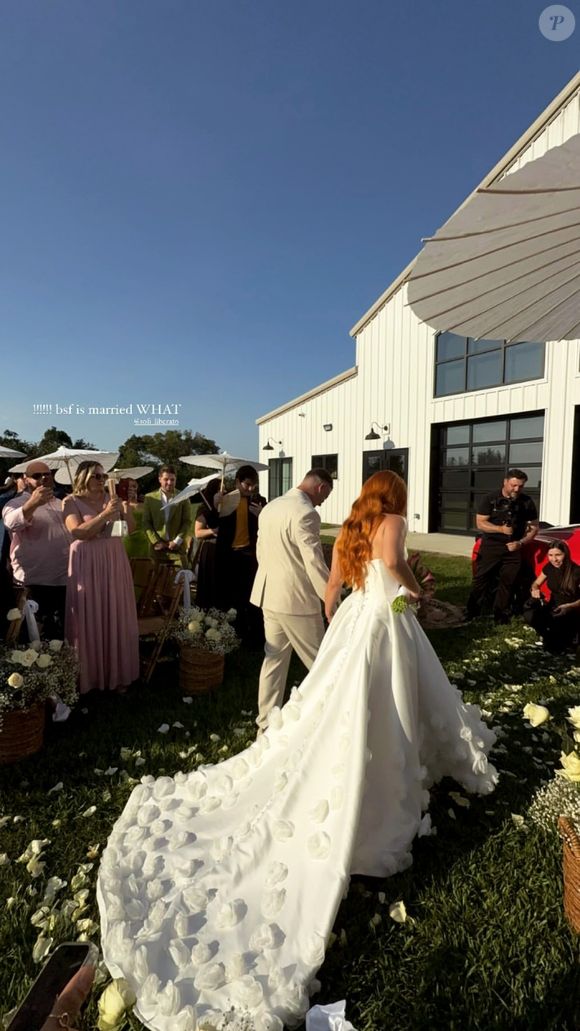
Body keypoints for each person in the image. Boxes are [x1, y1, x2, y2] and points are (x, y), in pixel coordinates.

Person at [97, 470, 497, 1031]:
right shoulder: (393, 522)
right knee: (385, 701)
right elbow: (398, 568)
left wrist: (336, 610)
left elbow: (335, 579)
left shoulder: (352, 522)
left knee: (319, 692)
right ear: (396, 496)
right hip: (384, 622)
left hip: (355, 616)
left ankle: (298, 731)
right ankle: (387, 763)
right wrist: (415, 589)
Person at [250, 467, 333, 731]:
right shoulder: (306, 513)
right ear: (320, 487)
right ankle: (330, 718)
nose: (322, 502)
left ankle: (265, 723)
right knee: (322, 662)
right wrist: (331, 599)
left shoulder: (271, 507)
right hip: (296, 599)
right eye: (325, 496)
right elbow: (314, 562)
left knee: (273, 659)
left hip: (269, 594)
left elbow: (260, 551)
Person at [63, 461, 139, 694]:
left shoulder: (111, 497)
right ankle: (90, 678)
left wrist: (124, 509)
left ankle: (117, 675)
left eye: (103, 475)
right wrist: (106, 514)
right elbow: (78, 532)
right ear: (84, 477)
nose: (102, 479)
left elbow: (129, 530)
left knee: (115, 613)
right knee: (89, 615)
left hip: (114, 559)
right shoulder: (70, 501)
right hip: (87, 563)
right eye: (97, 475)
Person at [3, 461, 71, 638]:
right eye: (36, 476)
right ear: (26, 480)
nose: (43, 478)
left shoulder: (62, 503)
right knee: (35, 638)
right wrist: (33, 503)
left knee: (62, 635)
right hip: (36, 581)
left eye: (47, 474)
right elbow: (11, 523)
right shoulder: (16, 503)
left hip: (66, 579)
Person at [466, 468, 539, 624]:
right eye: (513, 485)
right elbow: (480, 523)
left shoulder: (526, 501)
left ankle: (501, 614)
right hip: (491, 545)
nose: (517, 489)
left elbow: (534, 528)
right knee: (481, 579)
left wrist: (520, 543)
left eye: (520, 486)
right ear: (505, 482)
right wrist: (500, 529)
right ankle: (472, 611)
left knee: (508, 581)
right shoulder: (490, 498)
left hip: (514, 547)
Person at [215, 464, 266, 641]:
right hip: (229, 555)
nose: (250, 489)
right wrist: (216, 505)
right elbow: (213, 524)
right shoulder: (226, 500)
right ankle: (229, 632)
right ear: (237, 482)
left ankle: (250, 633)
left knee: (250, 596)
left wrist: (263, 514)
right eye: (247, 485)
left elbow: (269, 526)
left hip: (249, 555)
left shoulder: (258, 501)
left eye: (254, 486)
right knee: (229, 595)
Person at [524, 540, 580, 653]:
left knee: (555, 648)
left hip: (571, 610)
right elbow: (536, 583)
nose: (554, 559)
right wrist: (535, 589)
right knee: (530, 610)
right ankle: (548, 635)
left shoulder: (576, 571)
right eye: (550, 555)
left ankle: (564, 639)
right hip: (553, 607)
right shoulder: (549, 567)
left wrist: (569, 606)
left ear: (566, 554)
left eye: (558, 555)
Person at [142, 466, 191, 568]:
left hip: (177, 550)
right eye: (166, 479)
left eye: (172, 479)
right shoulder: (149, 498)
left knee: (180, 581)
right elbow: (146, 522)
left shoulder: (184, 496)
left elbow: (187, 521)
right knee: (157, 582)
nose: (169, 482)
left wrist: (177, 541)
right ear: (159, 479)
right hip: (157, 551)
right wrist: (156, 542)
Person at [193, 477, 221, 609]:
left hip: (222, 550)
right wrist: (213, 530)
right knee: (209, 585)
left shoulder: (224, 509)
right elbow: (198, 533)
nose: (223, 493)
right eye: (220, 490)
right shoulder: (205, 510)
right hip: (210, 550)